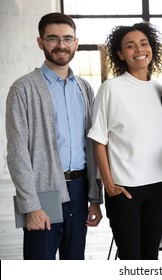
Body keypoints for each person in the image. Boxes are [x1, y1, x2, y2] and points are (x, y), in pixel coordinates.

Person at [5, 12, 102, 260]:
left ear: (76, 43)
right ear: (41, 42)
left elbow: (91, 147)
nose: (61, 45)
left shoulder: (84, 87)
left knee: (74, 261)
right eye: (53, 38)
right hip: (44, 191)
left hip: (80, 189)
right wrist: (31, 205)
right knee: (41, 263)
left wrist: (94, 198)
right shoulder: (23, 88)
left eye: (68, 38)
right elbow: (17, 153)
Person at [87, 23, 162, 260]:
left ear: (152, 48)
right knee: (131, 258)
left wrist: (160, 185)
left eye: (144, 44)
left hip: (155, 189)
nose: (139, 50)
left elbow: (151, 141)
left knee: (150, 256)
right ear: (121, 55)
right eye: (130, 46)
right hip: (124, 190)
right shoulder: (111, 88)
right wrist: (109, 185)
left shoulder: (158, 89)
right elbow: (98, 140)